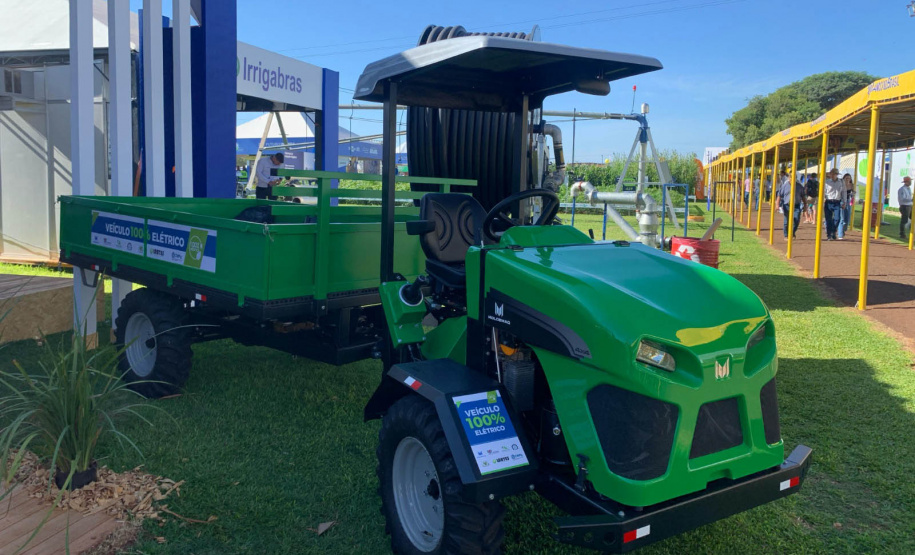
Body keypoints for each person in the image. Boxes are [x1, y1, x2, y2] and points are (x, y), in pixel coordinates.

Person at [822, 168, 847, 240]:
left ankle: (833, 230)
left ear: (836, 175)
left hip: (837, 202)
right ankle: (829, 234)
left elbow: (844, 192)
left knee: (837, 218)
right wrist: (823, 198)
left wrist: (844, 202)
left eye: (834, 174)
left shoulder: (841, 182)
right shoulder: (826, 182)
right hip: (828, 201)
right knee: (828, 219)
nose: (832, 175)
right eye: (831, 174)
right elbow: (823, 191)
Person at [776, 170, 802, 239]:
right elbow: (779, 195)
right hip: (787, 205)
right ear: (789, 178)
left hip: (796, 205)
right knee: (786, 221)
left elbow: (803, 196)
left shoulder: (799, 186)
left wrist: (805, 205)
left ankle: (792, 232)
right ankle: (786, 235)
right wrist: (777, 205)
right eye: (791, 177)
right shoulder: (785, 186)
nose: (792, 179)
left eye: (794, 178)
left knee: (796, 219)